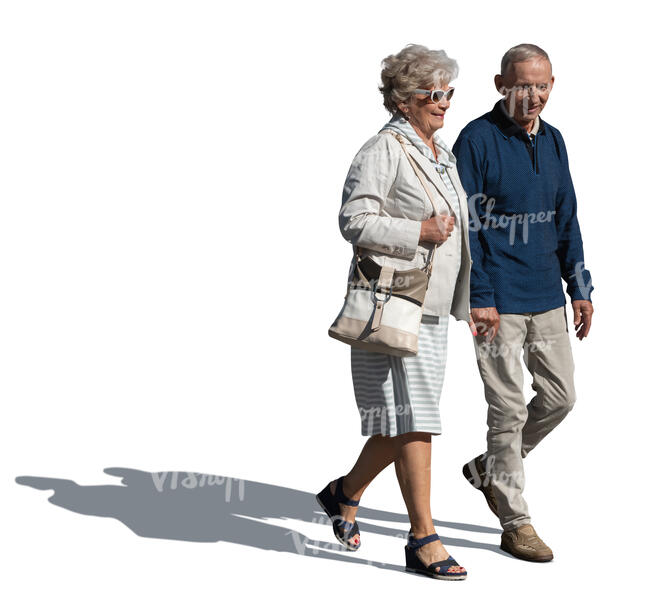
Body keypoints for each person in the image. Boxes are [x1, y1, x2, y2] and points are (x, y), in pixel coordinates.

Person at [317, 44, 475, 580]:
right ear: (403, 101)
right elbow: (353, 219)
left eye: (447, 93)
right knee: (417, 421)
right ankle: (423, 538)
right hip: (397, 305)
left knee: (403, 419)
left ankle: (344, 493)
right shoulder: (384, 148)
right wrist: (418, 232)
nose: (443, 103)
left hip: (430, 307)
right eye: (432, 94)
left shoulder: (440, 152)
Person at [452, 43, 594, 562]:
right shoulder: (476, 140)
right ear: (500, 84)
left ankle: (491, 468)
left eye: (542, 85)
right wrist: (480, 296)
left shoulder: (554, 141)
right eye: (522, 84)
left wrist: (578, 286)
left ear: (552, 85)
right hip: (496, 303)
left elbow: (567, 218)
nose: (532, 95)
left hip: (546, 296)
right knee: (507, 409)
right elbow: (465, 229)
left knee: (561, 398)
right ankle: (515, 522)